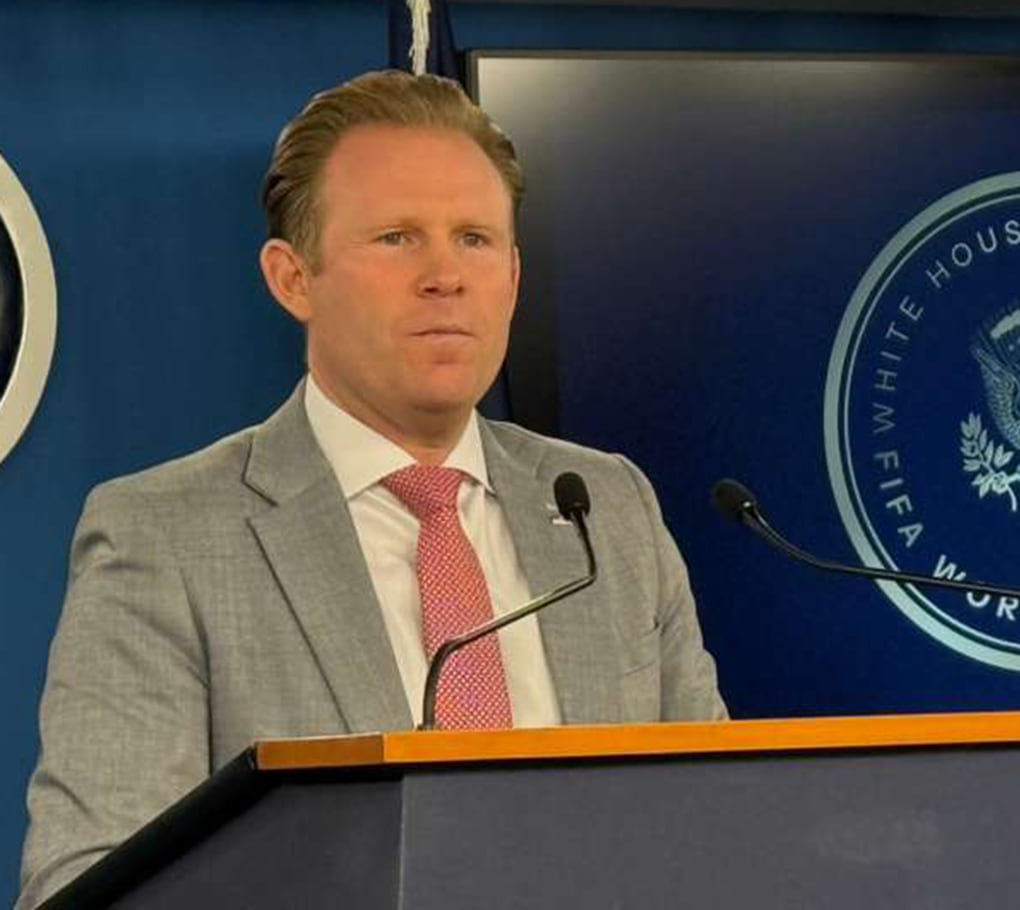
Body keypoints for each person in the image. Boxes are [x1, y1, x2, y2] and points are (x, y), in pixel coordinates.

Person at [18, 70, 726, 908]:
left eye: (474, 239)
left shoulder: (604, 507)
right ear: (293, 279)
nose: (445, 276)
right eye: (396, 238)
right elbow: (86, 887)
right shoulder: (166, 537)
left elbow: (714, 834)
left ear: (513, 277)